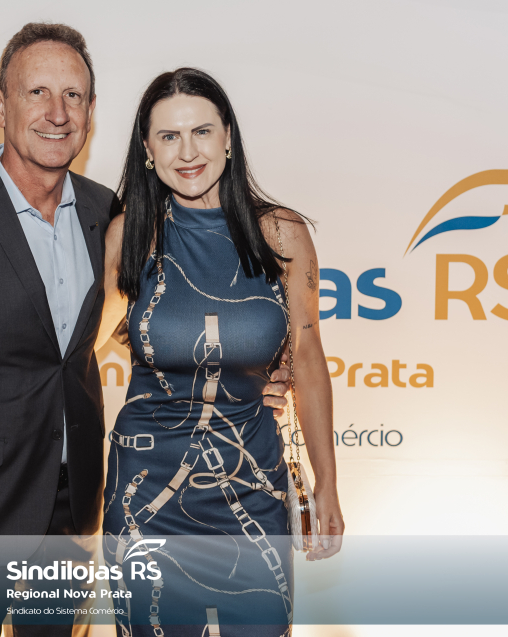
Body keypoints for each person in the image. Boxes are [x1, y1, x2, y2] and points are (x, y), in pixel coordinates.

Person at [0, 23, 292, 636]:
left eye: (73, 95)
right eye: (37, 93)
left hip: (70, 516)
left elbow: (150, 325)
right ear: (0, 105)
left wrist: (254, 373)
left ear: (92, 111)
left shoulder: (110, 215)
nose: (57, 113)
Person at [98, 68, 345, 637]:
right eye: (169, 137)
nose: (188, 152)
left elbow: (309, 360)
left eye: (202, 132)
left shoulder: (281, 234)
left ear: (228, 136)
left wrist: (327, 482)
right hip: (147, 489)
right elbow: (83, 343)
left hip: (252, 482)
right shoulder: (129, 236)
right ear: (147, 150)